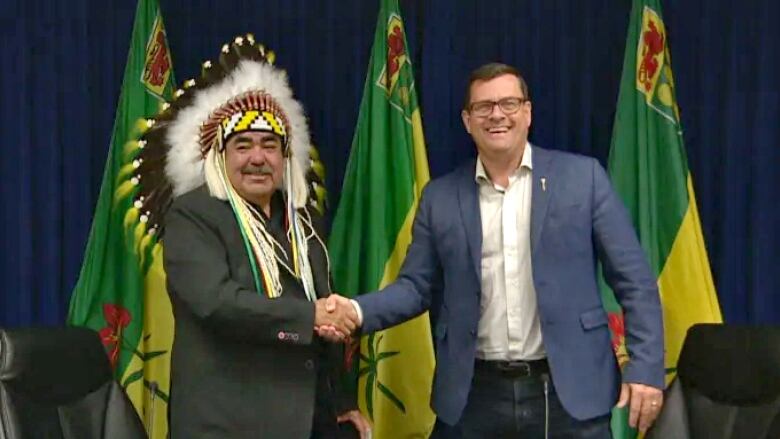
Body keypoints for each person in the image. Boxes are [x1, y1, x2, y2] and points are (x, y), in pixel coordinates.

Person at [322, 62, 665, 438]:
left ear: (528, 113)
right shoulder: (440, 198)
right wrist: (355, 311)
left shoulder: (584, 180)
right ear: (467, 121)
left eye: (509, 103)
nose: (497, 114)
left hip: (568, 394)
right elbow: (415, 287)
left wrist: (646, 368)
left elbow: (635, 281)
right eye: (483, 107)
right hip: (474, 398)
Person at [135, 35, 370, 438]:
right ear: (220, 157)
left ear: (285, 157)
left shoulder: (302, 221)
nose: (258, 158)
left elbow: (319, 307)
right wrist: (309, 317)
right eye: (242, 145)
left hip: (309, 418)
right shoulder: (193, 214)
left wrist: (342, 401)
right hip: (229, 424)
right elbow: (216, 302)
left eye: (269, 145)